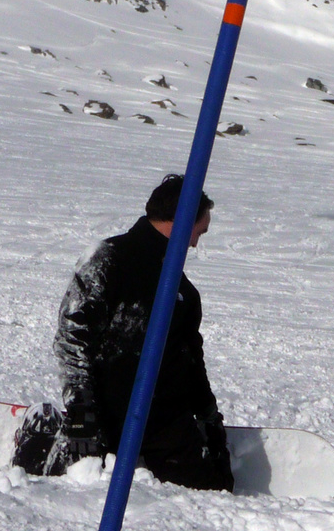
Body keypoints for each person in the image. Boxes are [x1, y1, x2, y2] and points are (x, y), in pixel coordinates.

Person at [15, 174, 233, 491]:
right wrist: (81, 415)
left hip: (166, 425)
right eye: (198, 232)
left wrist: (208, 415)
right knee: (79, 488)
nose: (196, 243)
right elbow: (73, 340)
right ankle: (44, 432)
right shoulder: (108, 260)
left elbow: (191, 361)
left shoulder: (184, 293)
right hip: (107, 418)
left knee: (216, 491)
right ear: (182, 222)